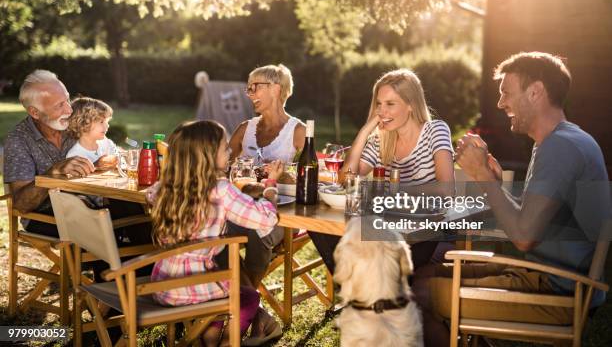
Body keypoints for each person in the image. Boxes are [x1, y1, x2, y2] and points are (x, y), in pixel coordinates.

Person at [421, 52, 611, 345]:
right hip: (549, 279)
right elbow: (531, 219)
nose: (500, 103)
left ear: (535, 92)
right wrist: (496, 185)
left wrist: (483, 175)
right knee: (423, 276)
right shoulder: (558, 140)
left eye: (506, 93)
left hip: (553, 292)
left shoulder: (561, 146)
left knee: (417, 296)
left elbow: (523, 237)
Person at [147, 120, 283, 346]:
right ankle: (226, 342)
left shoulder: (166, 185)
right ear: (208, 155)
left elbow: (150, 195)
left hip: (162, 283)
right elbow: (266, 219)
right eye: (225, 147)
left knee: (226, 289)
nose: (230, 150)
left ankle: (207, 339)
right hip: (193, 286)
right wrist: (270, 188)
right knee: (249, 297)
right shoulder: (220, 190)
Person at [311, 69, 455, 273]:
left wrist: (394, 194)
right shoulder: (382, 139)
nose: (381, 112)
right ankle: (363, 297)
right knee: (320, 229)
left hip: (426, 232)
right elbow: (346, 179)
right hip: (388, 227)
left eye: (390, 104)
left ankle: (368, 296)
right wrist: (364, 132)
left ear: (411, 105)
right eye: (378, 104)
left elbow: (446, 190)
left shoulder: (435, 131)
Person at [3, 70, 143, 240]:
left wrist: (101, 163)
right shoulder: (19, 140)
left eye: (67, 100)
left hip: (90, 203)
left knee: (134, 208)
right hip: (45, 216)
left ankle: (147, 261)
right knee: (103, 232)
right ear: (35, 112)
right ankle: (127, 262)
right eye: (59, 106)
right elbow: (21, 204)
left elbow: (102, 144)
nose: (69, 110)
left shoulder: (74, 125)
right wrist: (52, 174)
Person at [227, 64, 305, 340]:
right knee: (213, 233)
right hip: (239, 209)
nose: (250, 94)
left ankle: (241, 307)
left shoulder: (298, 131)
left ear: (276, 88)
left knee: (255, 231)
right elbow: (219, 165)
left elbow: (311, 183)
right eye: (248, 88)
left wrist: (283, 175)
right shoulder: (244, 129)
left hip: (281, 215)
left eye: (255, 87)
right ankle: (255, 310)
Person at [66, 97, 118, 164]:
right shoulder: (75, 155)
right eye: (101, 122)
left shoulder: (106, 143)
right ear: (83, 123)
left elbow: (121, 162)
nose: (107, 125)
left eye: (107, 122)